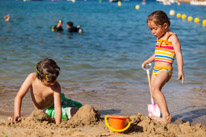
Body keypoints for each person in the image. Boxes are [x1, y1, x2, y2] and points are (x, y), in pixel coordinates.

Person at [8, 58, 82, 124]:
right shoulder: (32, 78)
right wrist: (17, 115)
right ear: (40, 77)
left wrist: (57, 124)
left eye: (55, 79)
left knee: (82, 108)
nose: (53, 83)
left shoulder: (56, 86)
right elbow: (19, 97)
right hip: (46, 109)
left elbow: (57, 107)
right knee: (75, 111)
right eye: (49, 82)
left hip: (58, 100)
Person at [142, 10, 184, 124]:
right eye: (151, 29)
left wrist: (180, 70)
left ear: (165, 26)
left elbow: (178, 54)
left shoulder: (172, 37)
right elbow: (158, 53)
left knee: (155, 89)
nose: (153, 32)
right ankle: (162, 114)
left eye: (155, 28)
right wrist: (148, 60)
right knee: (154, 91)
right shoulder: (159, 38)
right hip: (156, 69)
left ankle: (166, 116)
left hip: (166, 69)